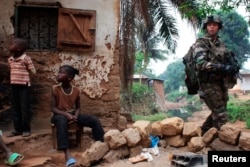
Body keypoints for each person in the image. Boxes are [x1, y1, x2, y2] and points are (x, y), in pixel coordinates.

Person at [192, 15, 238, 135]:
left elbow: (226, 60)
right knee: (221, 115)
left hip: (220, 83)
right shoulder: (201, 43)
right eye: (209, 25)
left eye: (215, 25)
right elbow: (200, 64)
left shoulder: (221, 44)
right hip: (207, 84)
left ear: (219, 27)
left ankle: (203, 134)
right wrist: (221, 67)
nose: (212, 27)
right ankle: (222, 145)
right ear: (206, 27)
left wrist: (232, 67)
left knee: (217, 111)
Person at [51, 65, 104, 167]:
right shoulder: (55, 89)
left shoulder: (76, 90)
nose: (58, 74)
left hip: (72, 114)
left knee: (94, 120)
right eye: (59, 72)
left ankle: (101, 145)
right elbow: (53, 109)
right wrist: (66, 115)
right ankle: (67, 154)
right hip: (58, 115)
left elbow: (78, 108)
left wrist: (75, 116)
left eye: (61, 73)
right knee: (62, 121)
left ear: (69, 78)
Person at [7, 38, 36, 137]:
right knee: (15, 108)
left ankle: (26, 129)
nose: (9, 46)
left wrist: (31, 72)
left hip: (24, 87)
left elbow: (33, 71)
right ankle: (17, 129)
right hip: (14, 86)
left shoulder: (26, 58)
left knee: (24, 108)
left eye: (11, 44)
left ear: (19, 48)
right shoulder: (10, 59)